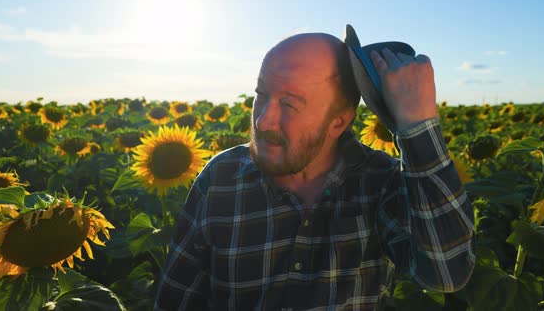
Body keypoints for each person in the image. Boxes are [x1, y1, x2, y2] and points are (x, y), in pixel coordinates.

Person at [154, 32, 475, 310]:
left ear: (339, 121)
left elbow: (445, 272)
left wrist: (417, 125)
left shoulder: (380, 182)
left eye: (290, 105)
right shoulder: (221, 179)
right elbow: (176, 299)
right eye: (261, 95)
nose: (263, 121)